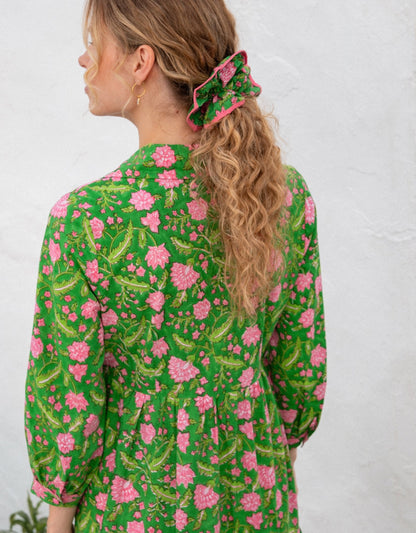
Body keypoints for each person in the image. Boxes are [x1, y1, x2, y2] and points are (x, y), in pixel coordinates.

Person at [24, 1, 327, 532]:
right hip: (258, 494)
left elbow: (69, 401)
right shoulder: (281, 194)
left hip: (136, 504)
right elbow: (299, 369)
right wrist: (267, 462)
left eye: (94, 44)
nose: (84, 59)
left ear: (141, 62)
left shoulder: (88, 221)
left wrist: (58, 517)